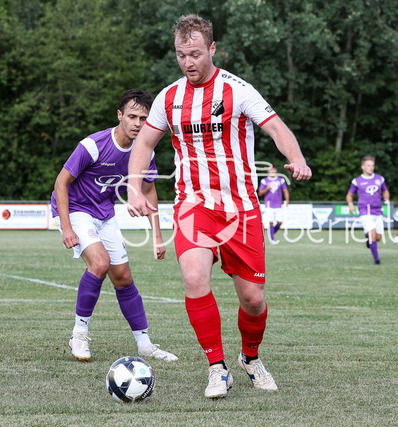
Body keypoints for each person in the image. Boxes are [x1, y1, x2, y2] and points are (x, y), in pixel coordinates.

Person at [126, 14, 312, 399]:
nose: (188, 62)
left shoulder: (237, 90)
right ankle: (217, 367)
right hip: (193, 206)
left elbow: (276, 127)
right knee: (194, 278)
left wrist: (296, 158)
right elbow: (143, 143)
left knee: (253, 300)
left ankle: (250, 358)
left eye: (195, 54)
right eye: (181, 55)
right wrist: (133, 188)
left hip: (241, 209)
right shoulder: (169, 98)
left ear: (212, 48)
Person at [51, 89, 177, 363]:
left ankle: (145, 344)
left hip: (104, 214)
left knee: (123, 278)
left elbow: (149, 190)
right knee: (100, 263)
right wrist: (67, 227)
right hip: (76, 210)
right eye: (132, 116)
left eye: (143, 118)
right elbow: (61, 183)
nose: (137, 123)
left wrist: (157, 236)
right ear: (119, 115)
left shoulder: (145, 152)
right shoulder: (93, 145)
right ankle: (79, 335)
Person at [346, 156, 390, 265]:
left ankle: (368, 239)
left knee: (378, 237)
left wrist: (386, 199)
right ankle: (376, 259)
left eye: (372, 165)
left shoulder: (380, 179)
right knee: (372, 234)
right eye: (368, 165)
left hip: (378, 211)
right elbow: (350, 195)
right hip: (365, 210)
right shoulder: (357, 181)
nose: (371, 167)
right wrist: (351, 205)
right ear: (363, 167)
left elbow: (385, 191)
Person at [258, 166, 289, 243]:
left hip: (278, 204)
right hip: (269, 205)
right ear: (268, 171)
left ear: (276, 170)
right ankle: (272, 239)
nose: (272, 171)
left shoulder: (281, 180)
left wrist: (287, 200)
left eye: (274, 169)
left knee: (280, 222)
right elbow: (260, 193)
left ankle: (271, 234)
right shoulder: (264, 181)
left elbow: (285, 190)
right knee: (271, 222)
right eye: (271, 169)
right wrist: (267, 188)